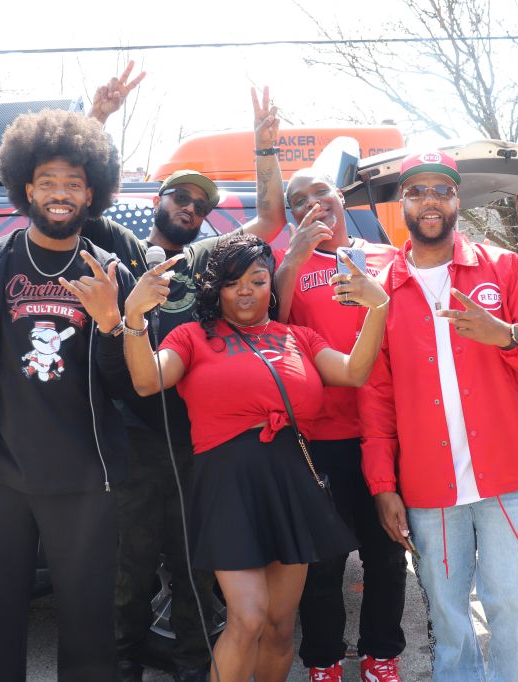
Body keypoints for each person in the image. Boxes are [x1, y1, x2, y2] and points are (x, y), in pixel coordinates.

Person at [89, 68, 289, 682]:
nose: (191, 208)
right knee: (131, 561)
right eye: (181, 198)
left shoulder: (208, 259)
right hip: (137, 435)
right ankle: (121, 661)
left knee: (196, 564)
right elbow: (79, 200)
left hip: (203, 438)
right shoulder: (121, 246)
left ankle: (192, 663)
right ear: (158, 202)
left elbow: (273, 219)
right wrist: (96, 120)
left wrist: (265, 145)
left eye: (201, 204)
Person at [121, 232, 390, 682]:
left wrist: (377, 309)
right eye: (232, 282)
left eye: (257, 279)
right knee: (246, 618)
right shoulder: (193, 337)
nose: (245, 290)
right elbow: (148, 380)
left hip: (289, 484)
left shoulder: (298, 337)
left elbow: (354, 371)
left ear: (272, 285)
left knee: (280, 627)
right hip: (226, 487)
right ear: (216, 289)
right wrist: (133, 317)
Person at [0, 109, 138, 681]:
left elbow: (128, 386)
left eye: (73, 183)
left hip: (83, 480)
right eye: (48, 181)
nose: (60, 193)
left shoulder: (109, 274)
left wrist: (110, 324)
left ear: (91, 191)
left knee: (90, 630)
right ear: (26, 186)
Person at [359, 151, 518, 682]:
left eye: (440, 191)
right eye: (417, 191)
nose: (429, 201)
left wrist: (506, 336)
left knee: (511, 607)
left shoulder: (504, 268)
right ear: (404, 202)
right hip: (428, 487)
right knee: (447, 615)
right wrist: (382, 484)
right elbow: (376, 398)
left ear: (456, 199)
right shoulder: (383, 291)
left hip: (509, 477)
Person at [265, 150, 407, 681]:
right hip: (318, 434)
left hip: (385, 431)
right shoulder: (288, 265)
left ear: (340, 196)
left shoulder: (387, 257)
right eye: (298, 202)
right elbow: (270, 328)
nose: (312, 205)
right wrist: (293, 262)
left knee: (387, 555)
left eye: (320, 193)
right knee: (322, 562)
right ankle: (324, 658)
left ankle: (381, 654)